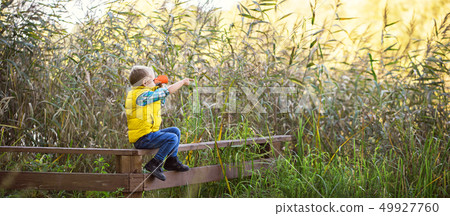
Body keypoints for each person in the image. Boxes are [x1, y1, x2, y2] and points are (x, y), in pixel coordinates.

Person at [125, 65, 192, 181]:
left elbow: (160, 101)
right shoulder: (140, 96)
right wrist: (182, 82)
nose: (155, 82)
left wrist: (160, 88)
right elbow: (167, 92)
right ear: (145, 82)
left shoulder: (145, 94)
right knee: (171, 138)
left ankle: (171, 160)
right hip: (143, 138)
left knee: (175, 131)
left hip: (149, 134)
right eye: (153, 79)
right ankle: (155, 163)